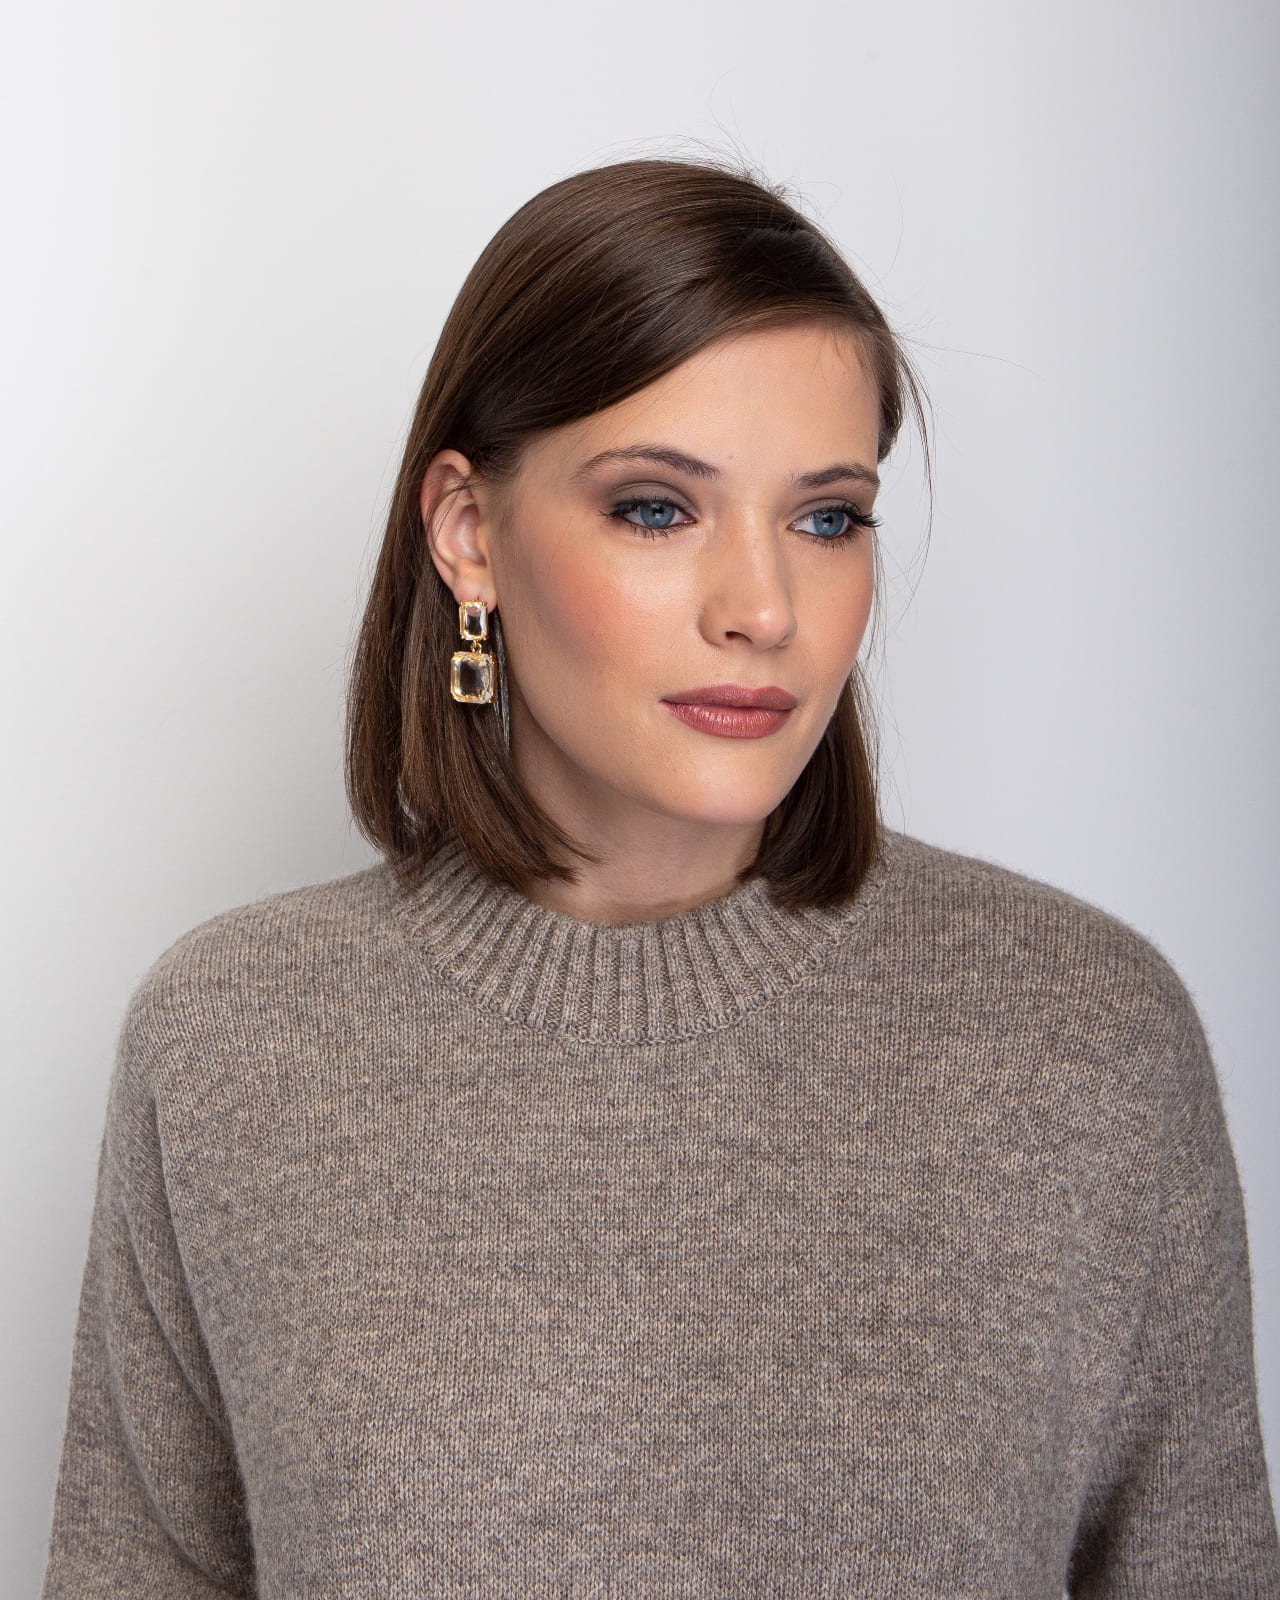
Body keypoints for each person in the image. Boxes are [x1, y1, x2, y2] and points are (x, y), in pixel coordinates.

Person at [41, 157, 1278, 1597]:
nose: (763, 608)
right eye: (655, 508)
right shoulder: (233, 1042)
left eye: (827, 518)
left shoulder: (1085, 1039)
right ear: (469, 534)